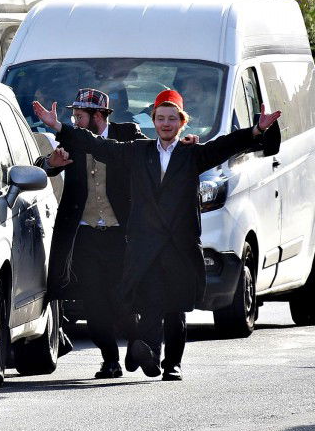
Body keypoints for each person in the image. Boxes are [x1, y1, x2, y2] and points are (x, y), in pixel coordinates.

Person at [33, 90, 281, 381]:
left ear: (181, 123)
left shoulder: (192, 155)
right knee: (149, 301)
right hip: (146, 245)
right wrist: (59, 127)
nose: (165, 123)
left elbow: (225, 146)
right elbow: (98, 146)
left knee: (175, 308)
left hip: (180, 245)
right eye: (160, 118)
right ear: (154, 122)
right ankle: (147, 350)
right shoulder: (138, 151)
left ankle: (172, 364)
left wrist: (257, 129)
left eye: (171, 119)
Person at [38, 88, 149, 378]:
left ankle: (137, 343)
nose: (74, 121)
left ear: (98, 116)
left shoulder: (128, 135)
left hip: (120, 236)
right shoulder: (71, 140)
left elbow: (152, 153)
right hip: (85, 236)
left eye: (80, 116)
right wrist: (52, 164)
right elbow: (39, 167)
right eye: (73, 116)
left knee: (122, 299)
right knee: (94, 302)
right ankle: (109, 359)